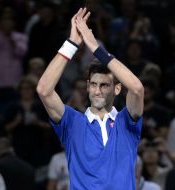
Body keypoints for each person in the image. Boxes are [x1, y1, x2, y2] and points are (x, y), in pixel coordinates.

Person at [36, 7, 144, 190]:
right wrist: (71, 44)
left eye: (104, 85)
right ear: (87, 87)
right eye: (93, 85)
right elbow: (44, 90)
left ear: (117, 89)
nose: (97, 91)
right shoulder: (72, 123)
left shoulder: (126, 122)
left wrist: (95, 48)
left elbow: (137, 88)